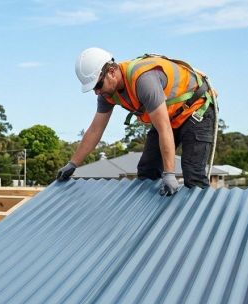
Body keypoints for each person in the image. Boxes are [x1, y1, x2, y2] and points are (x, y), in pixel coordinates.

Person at [56, 48, 217, 195]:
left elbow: (164, 129)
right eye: (94, 89)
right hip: (170, 116)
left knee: (193, 176)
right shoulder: (107, 94)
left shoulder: (143, 80)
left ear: (111, 71)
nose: (97, 92)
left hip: (196, 111)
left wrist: (169, 173)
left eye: (98, 85)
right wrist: (73, 163)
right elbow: (95, 130)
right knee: (147, 171)